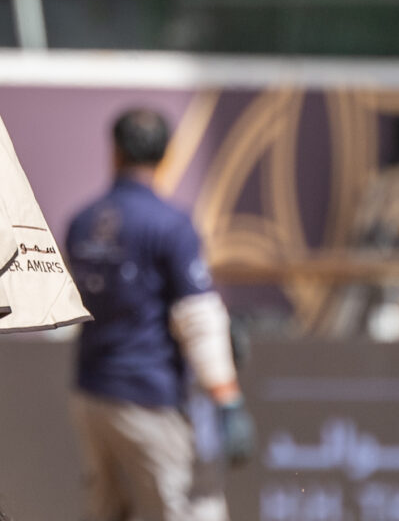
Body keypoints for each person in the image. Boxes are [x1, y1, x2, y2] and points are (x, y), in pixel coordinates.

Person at [65, 109, 255, 521]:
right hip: (147, 398)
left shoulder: (82, 223)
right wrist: (228, 400)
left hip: (90, 395)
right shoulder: (171, 225)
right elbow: (198, 319)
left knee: (107, 511)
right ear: (166, 155)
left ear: (115, 152)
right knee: (189, 510)